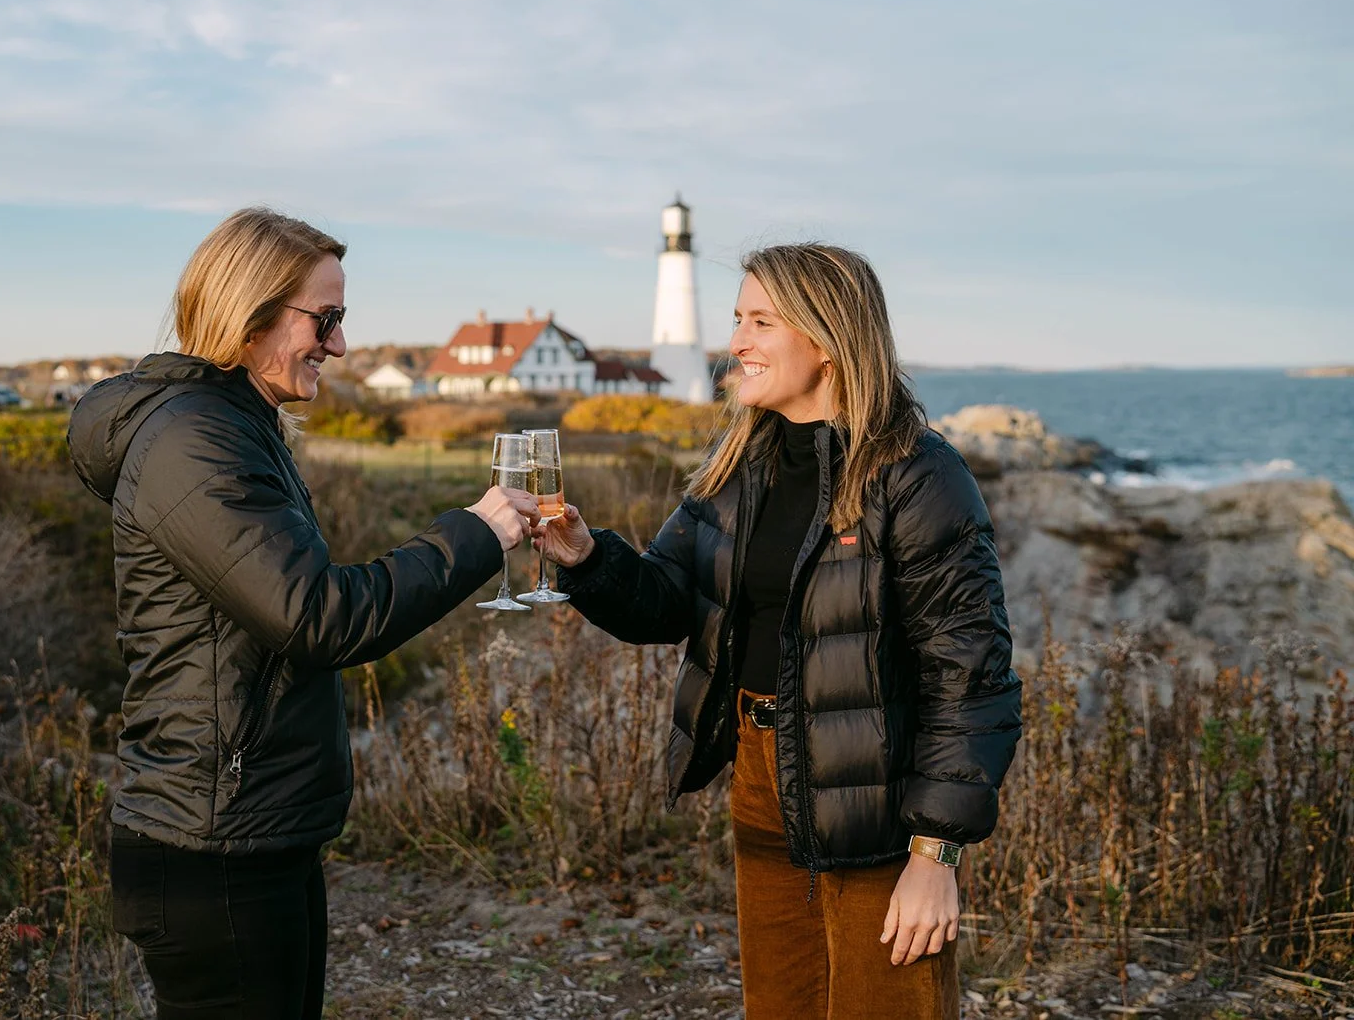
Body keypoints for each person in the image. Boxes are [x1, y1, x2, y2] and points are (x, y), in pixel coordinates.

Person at [67, 206, 539, 1019]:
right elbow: (320, 616)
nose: (341, 344)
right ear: (249, 318)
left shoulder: (231, 427)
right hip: (211, 843)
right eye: (326, 319)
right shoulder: (194, 441)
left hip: (245, 828)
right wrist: (478, 533)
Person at [535, 243, 1022, 1019]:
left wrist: (937, 853)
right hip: (761, 778)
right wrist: (588, 559)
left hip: (878, 810)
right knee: (780, 1005)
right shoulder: (738, 467)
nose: (736, 342)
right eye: (737, 319)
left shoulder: (919, 476)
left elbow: (970, 674)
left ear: (825, 340)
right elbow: (666, 600)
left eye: (761, 321)